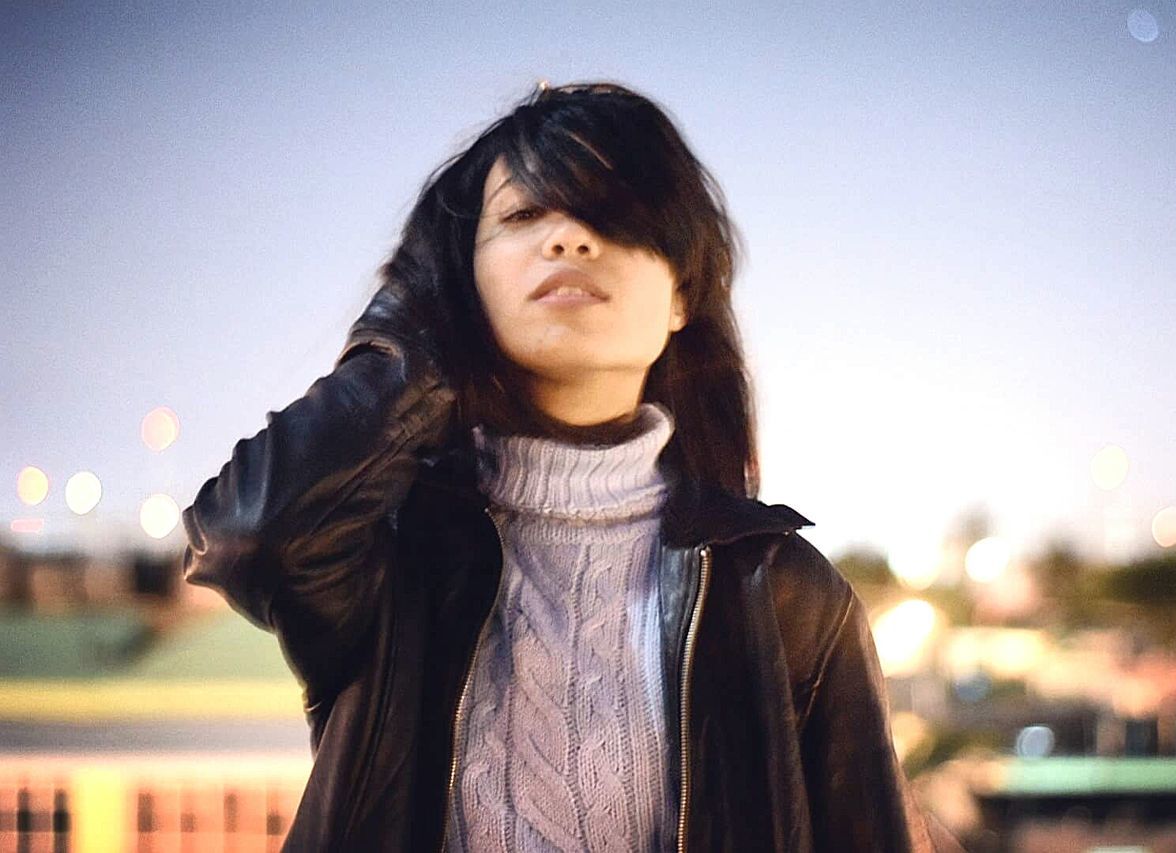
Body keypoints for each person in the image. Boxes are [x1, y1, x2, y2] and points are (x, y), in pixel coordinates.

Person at [182, 80, 947, 852]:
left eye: (614, 218)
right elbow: (253, 536)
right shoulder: (394, 557)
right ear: (461, 281)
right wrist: (417, 323)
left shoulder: (785, 596)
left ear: (682, 295)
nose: (571, 238)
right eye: (522, 215)